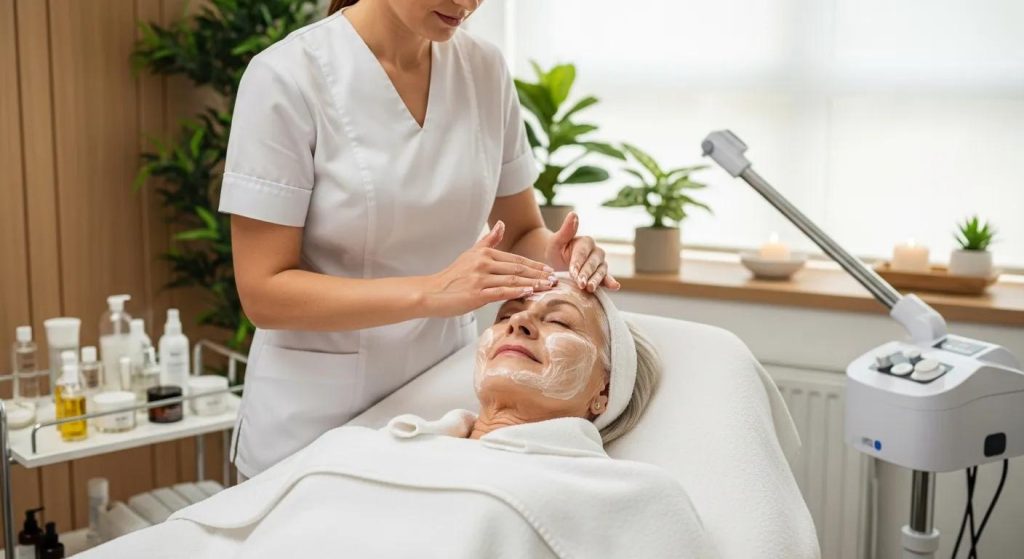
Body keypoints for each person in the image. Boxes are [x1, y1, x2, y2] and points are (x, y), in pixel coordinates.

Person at [221, 0, 620, 479]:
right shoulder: (286, 78)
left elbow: (519, 232)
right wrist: (432, 292)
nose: (467, 4)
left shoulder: (484, 70)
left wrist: (552, 254)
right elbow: (264, 292)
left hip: (436, 407)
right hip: (313, 421)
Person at [82, 280, 717, 559]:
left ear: (601, 393)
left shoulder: (630, 495)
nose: (520, 321)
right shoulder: (367, 447)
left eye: (559, 321)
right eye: (509, 315)